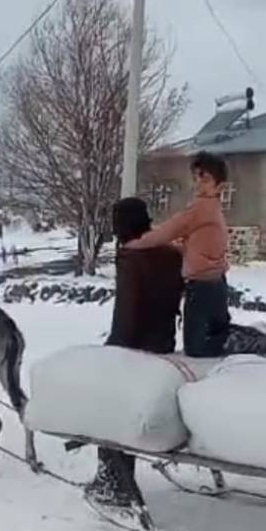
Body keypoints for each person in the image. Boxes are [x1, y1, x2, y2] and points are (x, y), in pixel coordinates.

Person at [85, 197, 185, 513]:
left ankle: (115, 482)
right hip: (163, 344)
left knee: (110, 412)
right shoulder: (169, 254)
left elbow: (126, 313)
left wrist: (113, 350)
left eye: (116, 223)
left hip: (135, 348)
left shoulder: (132, 256)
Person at [124, 151, 231, 358]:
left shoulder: (200, 210)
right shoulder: (215, 209)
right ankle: (244, 345)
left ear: (219, 186)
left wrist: (134, 244)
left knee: (196, 348)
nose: (198, 183)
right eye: (196, 177)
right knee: (217, 336)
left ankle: (251, 343)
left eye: (205, 178)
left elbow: (165, 232)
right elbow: (198, 247)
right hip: (217, 283)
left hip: (202, 288)